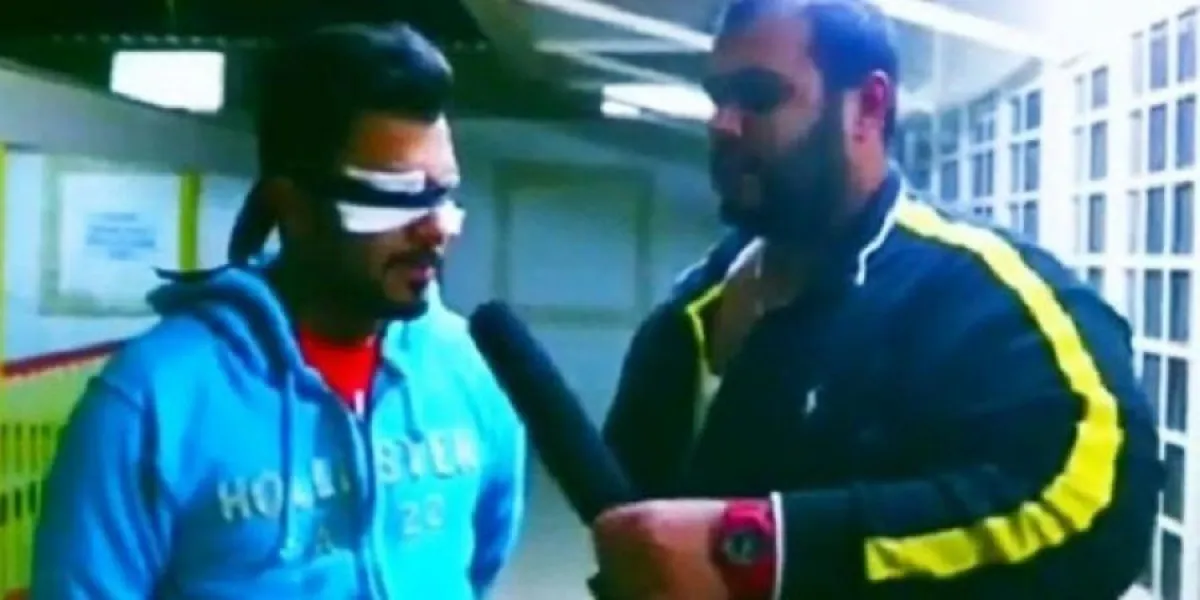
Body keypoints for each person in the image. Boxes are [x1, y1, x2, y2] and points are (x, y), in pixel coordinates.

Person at [592, 1, 1161, 599]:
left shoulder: (983, 292)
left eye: (758, 96)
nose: (722, 125)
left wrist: (759, 549)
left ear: (868, 105)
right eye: (718, 97)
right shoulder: (689, 311)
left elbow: (1094, 498)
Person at [32, 22, 526, 599]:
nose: (436, 228)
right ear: (291, 207)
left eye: (442, 193)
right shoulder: (155, 398)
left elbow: (478, 559)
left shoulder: (467, 365)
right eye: (395, 195)